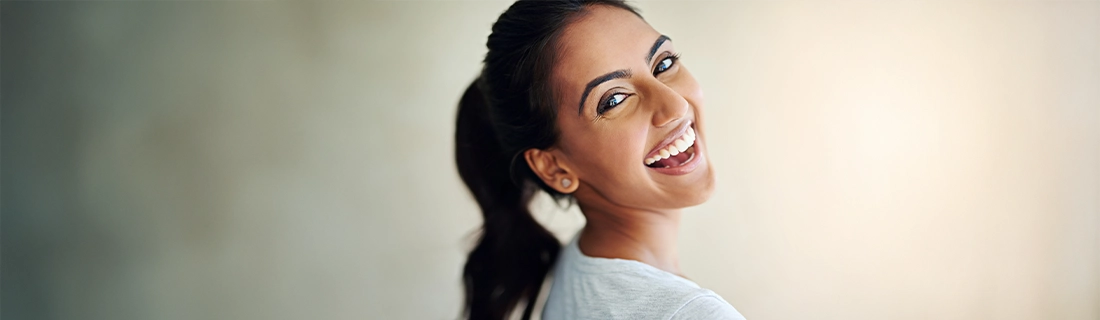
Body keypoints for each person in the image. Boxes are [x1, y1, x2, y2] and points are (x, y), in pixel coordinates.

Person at [455, 0, 745, 319]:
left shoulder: (577, 266)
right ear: (554, 167)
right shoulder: (690, 313)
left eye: (663, 64)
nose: (675, 106)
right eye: (614, 100)